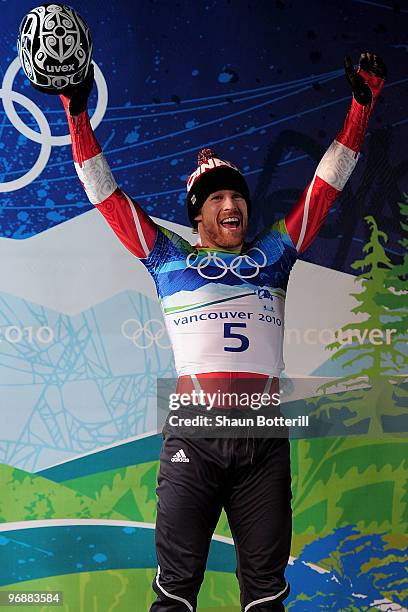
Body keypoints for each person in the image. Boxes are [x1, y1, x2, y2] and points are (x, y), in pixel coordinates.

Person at [54, 52, 386, 611]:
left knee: (265, 597)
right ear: (198, 215)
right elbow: (105, 193)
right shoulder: (166, 259)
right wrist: (76, 115)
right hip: (194, 442)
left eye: (238, 197)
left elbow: (324, 187)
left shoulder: (274, 255)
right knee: (175, 594)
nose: (233, 203)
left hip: (263, 447)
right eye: (218, 199)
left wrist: (360, 108)